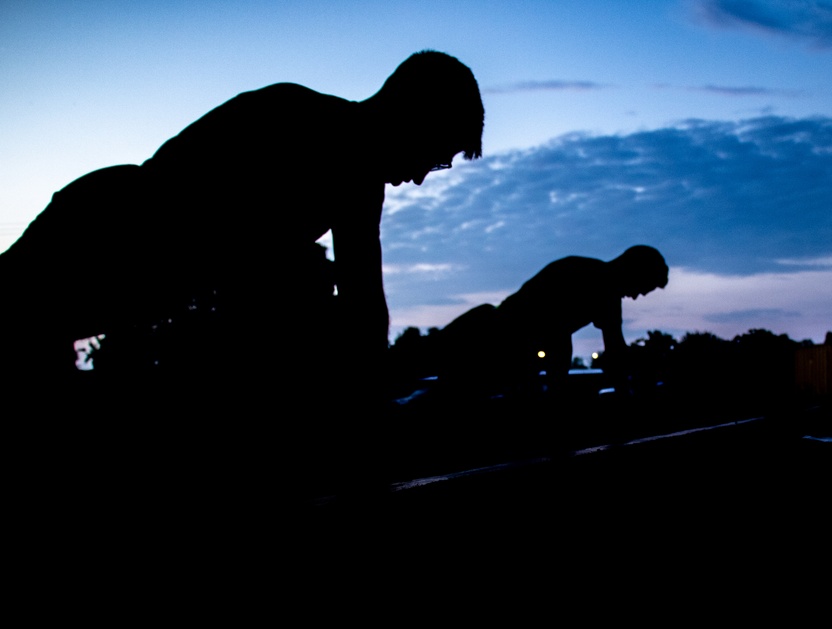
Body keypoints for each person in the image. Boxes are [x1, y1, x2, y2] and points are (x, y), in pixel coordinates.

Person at [0, 50, 485, 403]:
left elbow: (364, 304)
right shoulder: (306, 125)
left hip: (124, 262)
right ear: (415, 115)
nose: (421, 176)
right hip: (94, 235)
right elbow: (200, 222)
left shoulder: (357, 177)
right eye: (436, 154)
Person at [435, 245, 669, 399]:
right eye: (642, 287)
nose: (637, 296)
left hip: (499, 341)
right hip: (485, 339)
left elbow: (614, 348)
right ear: (634, 271)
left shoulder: (603, 290)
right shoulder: (594, 283)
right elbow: (556, 334)